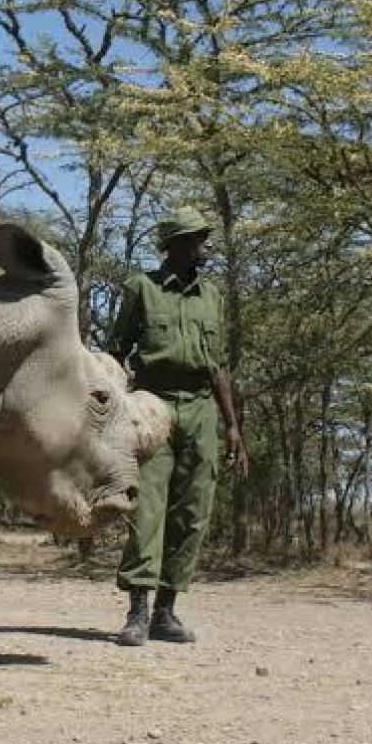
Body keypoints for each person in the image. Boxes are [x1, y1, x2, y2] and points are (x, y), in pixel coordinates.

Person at [108, 206, 248, 646]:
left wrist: (231, 426)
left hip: (202, 409)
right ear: (174, 245)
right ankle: (137, 612)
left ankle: (166, 612)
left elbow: (218, 366)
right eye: (196, 239)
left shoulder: (212, 296)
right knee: (147, 509)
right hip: (153, 405)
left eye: (203, 239)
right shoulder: (141, 289)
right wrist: (116, 413)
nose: (204, 247)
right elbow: (116, 352)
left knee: (192, 512)